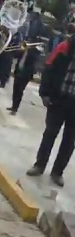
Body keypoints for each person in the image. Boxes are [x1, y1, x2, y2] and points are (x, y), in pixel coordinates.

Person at [31, 36, 75, 187]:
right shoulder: (64, 46)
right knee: (50, 133)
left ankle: (57, 172)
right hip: (59, 99)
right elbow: (49, 67)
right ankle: (39, 165)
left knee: (69, 141)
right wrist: (44, 93)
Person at [10, 38, 45, 115]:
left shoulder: (36, 51)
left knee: (20, 90)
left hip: (26, 74)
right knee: (15, 89)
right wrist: (20, 49)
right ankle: (13, 106)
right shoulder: (23, 48)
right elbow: (15, 56)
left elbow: (34, 59)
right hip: (18, 70)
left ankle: (15, 108)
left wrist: (28, 50)